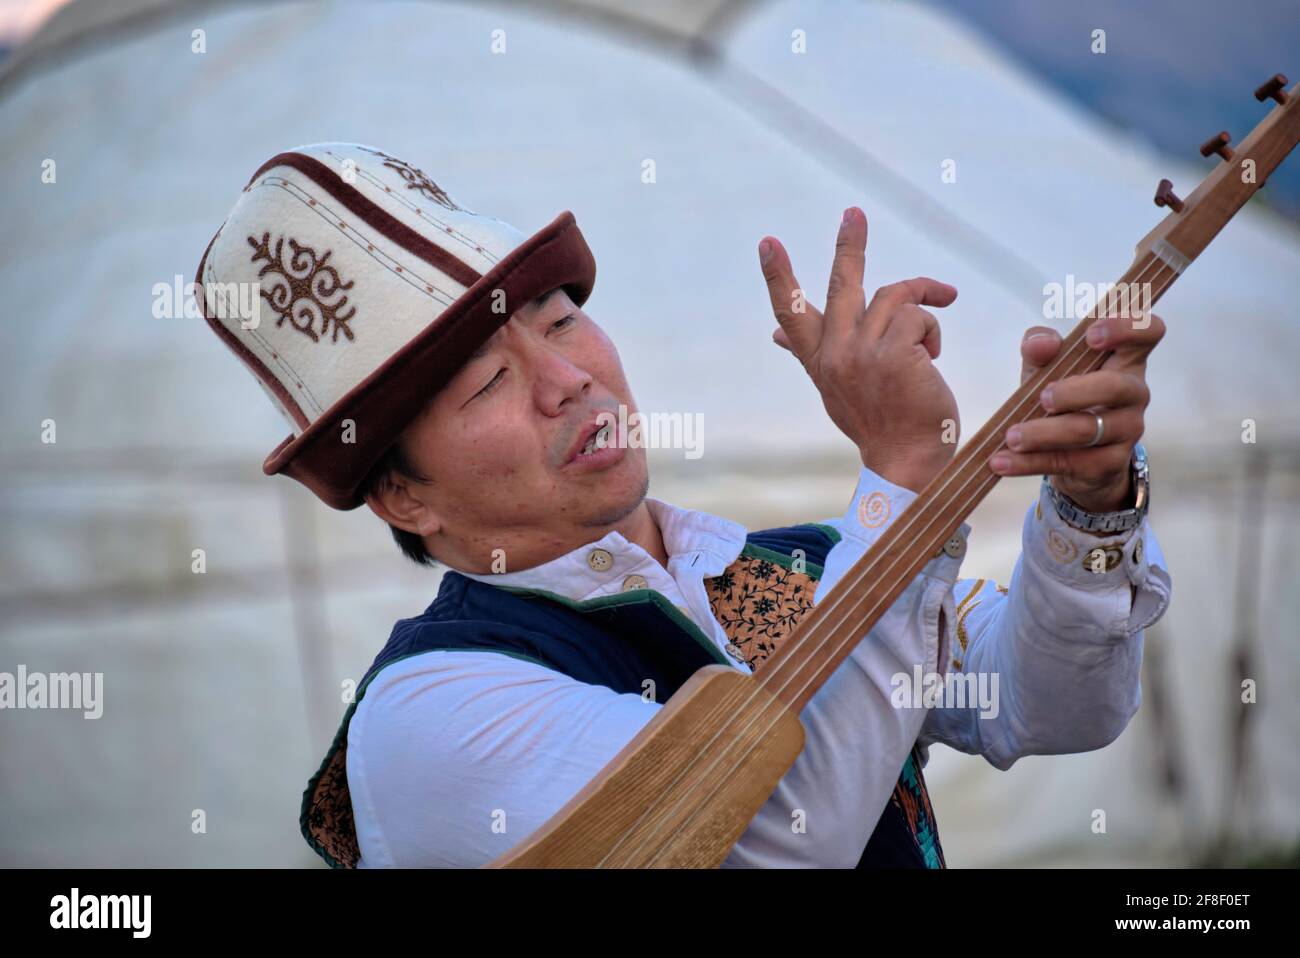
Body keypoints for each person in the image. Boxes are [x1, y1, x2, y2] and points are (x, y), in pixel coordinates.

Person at [196, 143, 1171, 868]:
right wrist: (909, 471)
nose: (567, 379)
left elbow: (1052, 707)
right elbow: (778, 837)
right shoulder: (432, 708)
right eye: (486, 384)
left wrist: (1091, 504)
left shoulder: (792, 567)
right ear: (402, 494)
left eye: (563, 321)